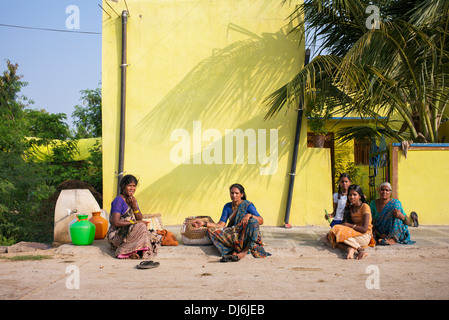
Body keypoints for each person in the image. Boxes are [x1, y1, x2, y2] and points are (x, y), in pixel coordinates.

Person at [191, 183, 271, 262]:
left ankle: (244, 251)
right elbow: (220, 225)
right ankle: (231, 251)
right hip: (233, 233)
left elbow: (261, 220)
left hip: (245, 234)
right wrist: (204, 223)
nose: (234, 195)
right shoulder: (227, 206)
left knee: (253, 221)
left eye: (237, 193)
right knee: (211, 231)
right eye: (232, 193)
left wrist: (250, 215)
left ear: (242, 194)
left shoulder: (247, 205)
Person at [106, 174, 161, 263]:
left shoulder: (133, 200)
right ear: (123, 186)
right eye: (129, 186)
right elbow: (115, 222)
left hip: (130, 231)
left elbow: (140, 218)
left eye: (134, 186)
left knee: (154, 235)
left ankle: (134, 253)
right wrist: (134, 222)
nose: (132, 188)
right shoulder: (119, 200)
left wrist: (134, 206)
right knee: (141, 227)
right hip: (117, 234)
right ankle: (123, 252)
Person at [321, 184, 375, 260]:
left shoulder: (364, 207)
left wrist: (348, 225)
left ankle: (360, 250)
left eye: (355, 195)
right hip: (353, 235)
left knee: (337, 231)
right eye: (350, 195)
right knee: (324, 237)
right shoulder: (350, 208)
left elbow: (364, 229)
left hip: (364, 236)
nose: (352, 197)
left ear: (360, 196)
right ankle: (349, 248)